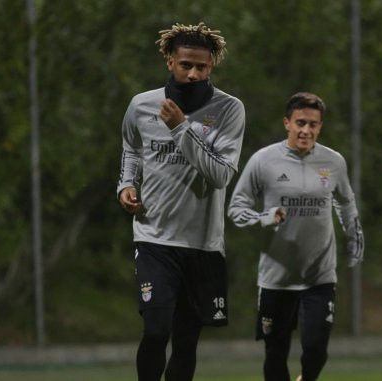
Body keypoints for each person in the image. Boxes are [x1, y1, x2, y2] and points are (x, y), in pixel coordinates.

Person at [116, 22, 245, 381]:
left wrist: (180, 128)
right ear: (170, 62)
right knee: (156, 329)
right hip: (154, 237)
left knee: (186, 343)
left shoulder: (229, 110)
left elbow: (219, 175)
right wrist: (126, 184)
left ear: (211, 66)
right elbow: (132, 147)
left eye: (201, 67)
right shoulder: (141, 105)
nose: (193, 73)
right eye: (186, 64)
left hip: (203, 244)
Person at [228, 92, 364, 381]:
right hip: (276, 276)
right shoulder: (263, 161)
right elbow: (236, 208)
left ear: (320, 127)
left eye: (313, 124)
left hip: (319, 275)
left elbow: (346, 202)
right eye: (300, 123)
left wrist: (354, 235)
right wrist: (265, 217)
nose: (306, 130)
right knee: (275, 353)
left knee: (316, 348)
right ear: (287, 123)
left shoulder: (334, 161)